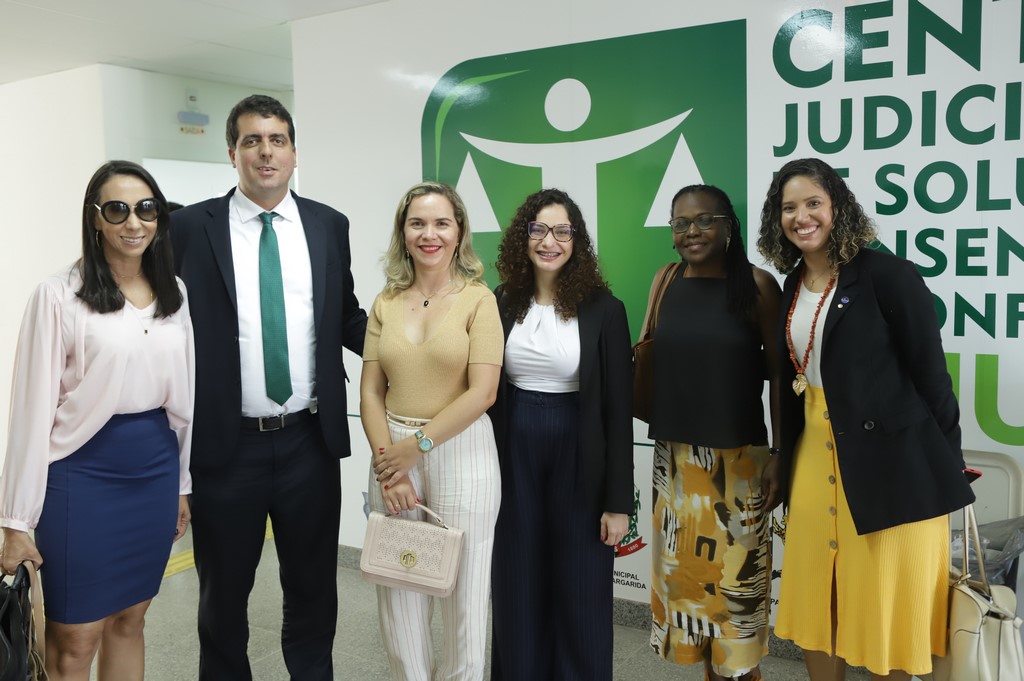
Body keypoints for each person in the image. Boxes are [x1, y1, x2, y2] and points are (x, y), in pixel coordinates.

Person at [170, 94, 367, 681]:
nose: (265, 151)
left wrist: (418, 348)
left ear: (294, 153)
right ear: (231, 153)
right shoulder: (188, 228)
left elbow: (346, 315)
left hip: (309, 440)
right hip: (226, 446)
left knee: (314, 589)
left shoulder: (329, 225)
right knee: (223, 597)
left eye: (277, 139)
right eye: (251, 140)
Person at [756, 158, 975, 680]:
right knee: (817, 598)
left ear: (838, 207)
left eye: (814, 203)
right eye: (789, 207)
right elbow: (789, 380)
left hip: (893, 463)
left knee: (887, 605)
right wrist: (781, 455)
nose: (802, 217)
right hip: (814, 457)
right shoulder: (791, 284)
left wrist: (945, 470)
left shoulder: (888, 275)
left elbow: (933, 380)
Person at [0, 160, 193, 681]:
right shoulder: (58, 294)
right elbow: (29, 412)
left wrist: (181, 483)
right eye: (117, 210)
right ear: (95, 219)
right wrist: (15, 522)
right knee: (75, 638)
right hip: (80, 475)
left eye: (146, 209)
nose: (134, 222)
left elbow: (184, 400)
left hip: (153, 468)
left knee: (132, 619)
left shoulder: (173, 292)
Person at [487, 188, 633, 680]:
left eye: (562, 231)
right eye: (539, 230)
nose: (549, 242)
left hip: (580, 450)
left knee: (581, 586)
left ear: (577, 240)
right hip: (513, 449)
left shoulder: (604, 309)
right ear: (523, 237)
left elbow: (618, 411)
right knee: (516, 580)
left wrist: (618, 503)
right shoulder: (501, 300)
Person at [362, 181, 503, 681]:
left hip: (462, 451)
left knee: (465, 601)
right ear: (403, 232)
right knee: (398, 592)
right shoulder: (385, 300)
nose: (430, 234)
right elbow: (371, 393)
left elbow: (483, 392)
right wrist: (391, 464)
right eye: (417, 223)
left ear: (459, 231)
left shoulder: (479, 300)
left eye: (442, 223)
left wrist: (416, 449)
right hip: (392, 453)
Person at [643, 184, 782, 681]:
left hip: (738, 467)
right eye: (681, 223)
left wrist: (781, 455)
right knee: (691, 598)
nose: (692, 231)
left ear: (728, 226)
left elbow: (782, 378)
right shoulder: (666, 280)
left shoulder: (758, 285)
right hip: (677, 467)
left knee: (735, 603)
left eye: (705, 220)